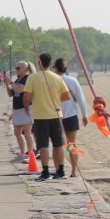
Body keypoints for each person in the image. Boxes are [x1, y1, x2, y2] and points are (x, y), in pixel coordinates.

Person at [22, 53, 72, 181]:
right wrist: (56, 100)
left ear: (39, 63)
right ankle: (61, 171)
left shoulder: (32, 78)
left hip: (40, 116)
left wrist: (26, 107)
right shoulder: (57, 78)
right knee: (58, 144)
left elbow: (26, 97)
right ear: (50, 63)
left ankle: (45, 172)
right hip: (56, 115)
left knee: (43, 145)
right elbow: (67, 96)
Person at [53, 57, 89, 177]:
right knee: (71, 144)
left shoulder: (52, 80)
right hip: (71, 115)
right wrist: (85, 115)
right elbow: (80, 98)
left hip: (55, 116)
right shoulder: (72, 80)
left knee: (57, 145)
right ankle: (73, 171)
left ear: (55, 68)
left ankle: (58, 170)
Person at [6, 61, 34, 163]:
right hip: (16, 108)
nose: (16, 70)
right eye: (16, 68)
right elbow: (11, 93)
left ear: (25, 69)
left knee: (27, 132)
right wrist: (7, 85)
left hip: (25, 108)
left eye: (18, 68)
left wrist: (10, 82)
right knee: (17, 132)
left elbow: (19, 90)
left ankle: (30, 154)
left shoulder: (27, 78)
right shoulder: (17, 79)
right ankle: (22, 153)